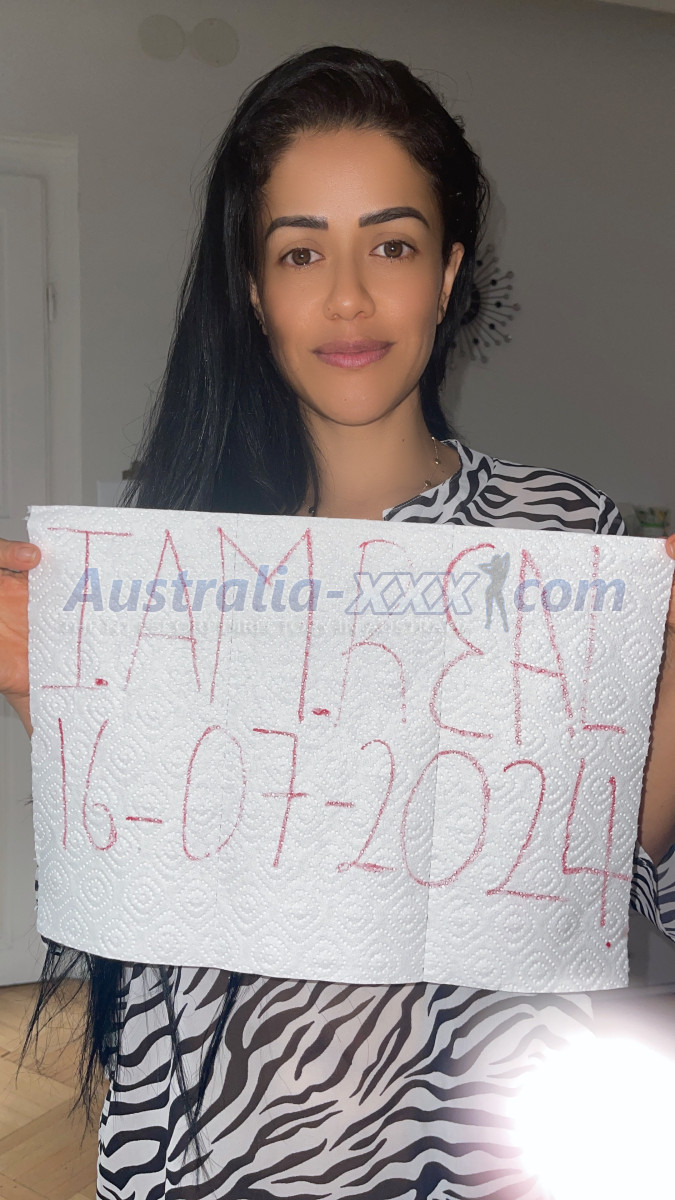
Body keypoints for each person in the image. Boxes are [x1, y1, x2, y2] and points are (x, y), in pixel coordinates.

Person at [3, 44, 675, 1200]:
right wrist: (46, 693)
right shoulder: (165, 557)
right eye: (302, 251)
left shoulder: (566, 539)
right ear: (253, 287)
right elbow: (157, 878)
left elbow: (608, 868)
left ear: (449, 272)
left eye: (393, 245)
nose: (350, 297)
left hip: (476, 1150)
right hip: (209, 1153)